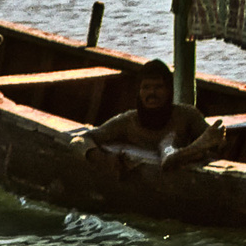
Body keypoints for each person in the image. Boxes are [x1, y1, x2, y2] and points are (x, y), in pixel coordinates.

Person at [71, 59, 225, 170]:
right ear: (139, 92)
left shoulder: (186, 115)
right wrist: (100, 157)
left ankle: (180, 156)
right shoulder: (127, 121)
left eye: (158, 87)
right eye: (146, 87)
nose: (152, 93)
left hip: (175, 162)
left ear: (169, 91)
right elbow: (81, 139)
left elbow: (216, 143)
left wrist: (217, 142)